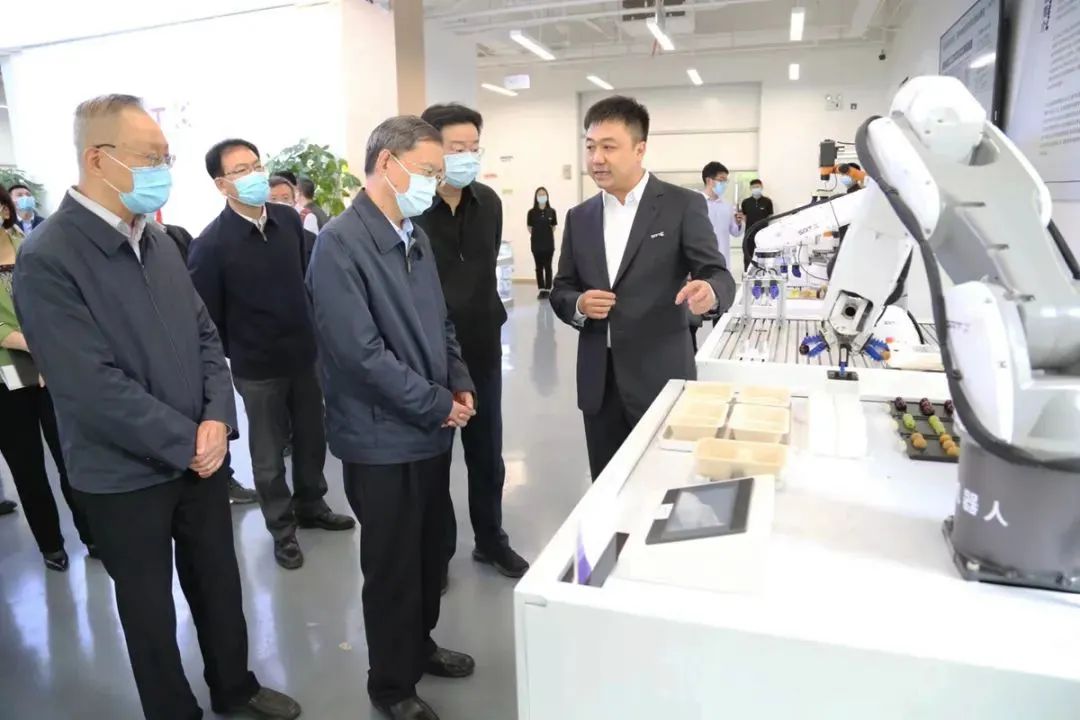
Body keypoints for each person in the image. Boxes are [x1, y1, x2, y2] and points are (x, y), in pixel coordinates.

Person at [13, 93, 300, 720]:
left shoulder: (161, 240)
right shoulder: (48, 258)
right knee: (148, 611)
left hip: (200, 457)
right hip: (123, 474)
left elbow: (205, 337)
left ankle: (235, 688)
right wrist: (187, 440)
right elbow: (88, 385)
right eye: (149, 158)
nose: (161, 170)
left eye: (165, 158)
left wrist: (217, 420)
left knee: (219, 585)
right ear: (98, 158)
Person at [307, 115, 477, 720]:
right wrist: (436, 403)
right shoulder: (339, 244)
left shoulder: (414, 235)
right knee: (393, 566)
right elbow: (359, 355)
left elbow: (441, 322)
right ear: (387, 163)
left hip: (428, 428)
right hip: (380, 438)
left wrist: (458, 380)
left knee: (431, 552)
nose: (435, 182)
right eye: (427, 171)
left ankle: (419, 645)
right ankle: (391, 685)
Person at [189, 138, 355, 571]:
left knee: (313, 439)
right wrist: (243, 349)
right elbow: (208, 321)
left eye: (257, 165)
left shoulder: (286, 220)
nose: (255, 175)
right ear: (222, 184)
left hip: (304, 356)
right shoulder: (211, 245)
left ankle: (312, 505)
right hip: (257, 368)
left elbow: (305, 280)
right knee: (267, 456)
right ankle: (282, 530)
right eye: (241, 170)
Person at [551, 96, 736, 480]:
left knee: (667, 483)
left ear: (639, 149)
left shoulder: (681, 205)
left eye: (608, 147)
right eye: (590, 147)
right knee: (607, 484)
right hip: (600, 385)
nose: (596, 158)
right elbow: (562, 288)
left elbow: (718, 273)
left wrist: (709, 291)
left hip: (660, 377)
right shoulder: (580, 217)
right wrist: (579, 304)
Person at [414, 103, 528, 582]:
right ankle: (437, 553)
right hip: (430, 353)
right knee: (434, 457)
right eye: (455, 147)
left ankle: (490, 540)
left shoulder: (489, 202)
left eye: (473, 147)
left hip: (482, 344)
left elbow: (483, 269)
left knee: (486, 451)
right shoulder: (414, 207)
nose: (466, 156)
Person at [0, 185, 95, 570]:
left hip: (54, 369)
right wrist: (35, 345)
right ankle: (50, 544)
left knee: (72, 456)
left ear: (4, 210)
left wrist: (50, 350)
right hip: (6, 377)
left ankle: (93, 535)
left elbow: (58, 300)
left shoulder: (31, 246)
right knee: (26, 466)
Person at [161, 220, 259, 506]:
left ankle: (224, 477)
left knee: (210, 420)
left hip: (192, 353)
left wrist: (218, 415)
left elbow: (207, 327)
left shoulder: (173, 238)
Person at [700, 161, 744, 267]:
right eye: (721, 180)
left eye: (725, 181)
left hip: (722, 258)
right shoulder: (696, 203)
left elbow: (735, 232)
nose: (724, 184)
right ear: (709, 180)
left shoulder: (727, 206)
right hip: (701, 259)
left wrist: (739, 223)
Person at [269, 175, 318, 263]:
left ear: (294, 201)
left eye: (285, 198)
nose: (279, 203)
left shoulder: (307, 236)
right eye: (273, 199)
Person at [528, 187, 557, 299]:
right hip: (536, 244)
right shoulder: (531, 212)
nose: (542, 196)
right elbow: (530, 228)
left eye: (544, 194)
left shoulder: (551, 212)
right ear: (536, 197)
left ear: (547, 196)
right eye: (539, 194)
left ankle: (548, 289)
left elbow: (553, 227)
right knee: (538, 267)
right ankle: (541, 290)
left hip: (548, 244)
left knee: (548, 267)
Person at [740, 178, 774, 271]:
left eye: (757, 187)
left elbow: (770, 216)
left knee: (764, 257)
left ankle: (764, 273)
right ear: (750, 188)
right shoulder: (746, 202)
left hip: (763, 234)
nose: (756, 189)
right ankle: (747, 273)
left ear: (761, 187)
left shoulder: (767, 201)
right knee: (748, 255)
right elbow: (744, 216)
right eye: (754, 187)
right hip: (749, 234)